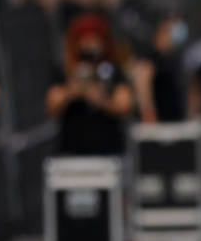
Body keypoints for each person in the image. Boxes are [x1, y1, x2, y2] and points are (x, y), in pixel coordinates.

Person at [46, 13, 135, 156]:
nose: (90, 43)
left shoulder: (112, 71)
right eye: (85, 38)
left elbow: (125, 105)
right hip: (72, 150)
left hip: (108, 150)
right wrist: (72, 92)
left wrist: (102, 100)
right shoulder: (65, 71)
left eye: (94, 38)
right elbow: (51, 107)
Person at [132, 11, 188, 124]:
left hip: (174, 121)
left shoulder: (173, 55)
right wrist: (148, 114)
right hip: (158, 124)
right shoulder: (150, 54)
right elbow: (142, 85)